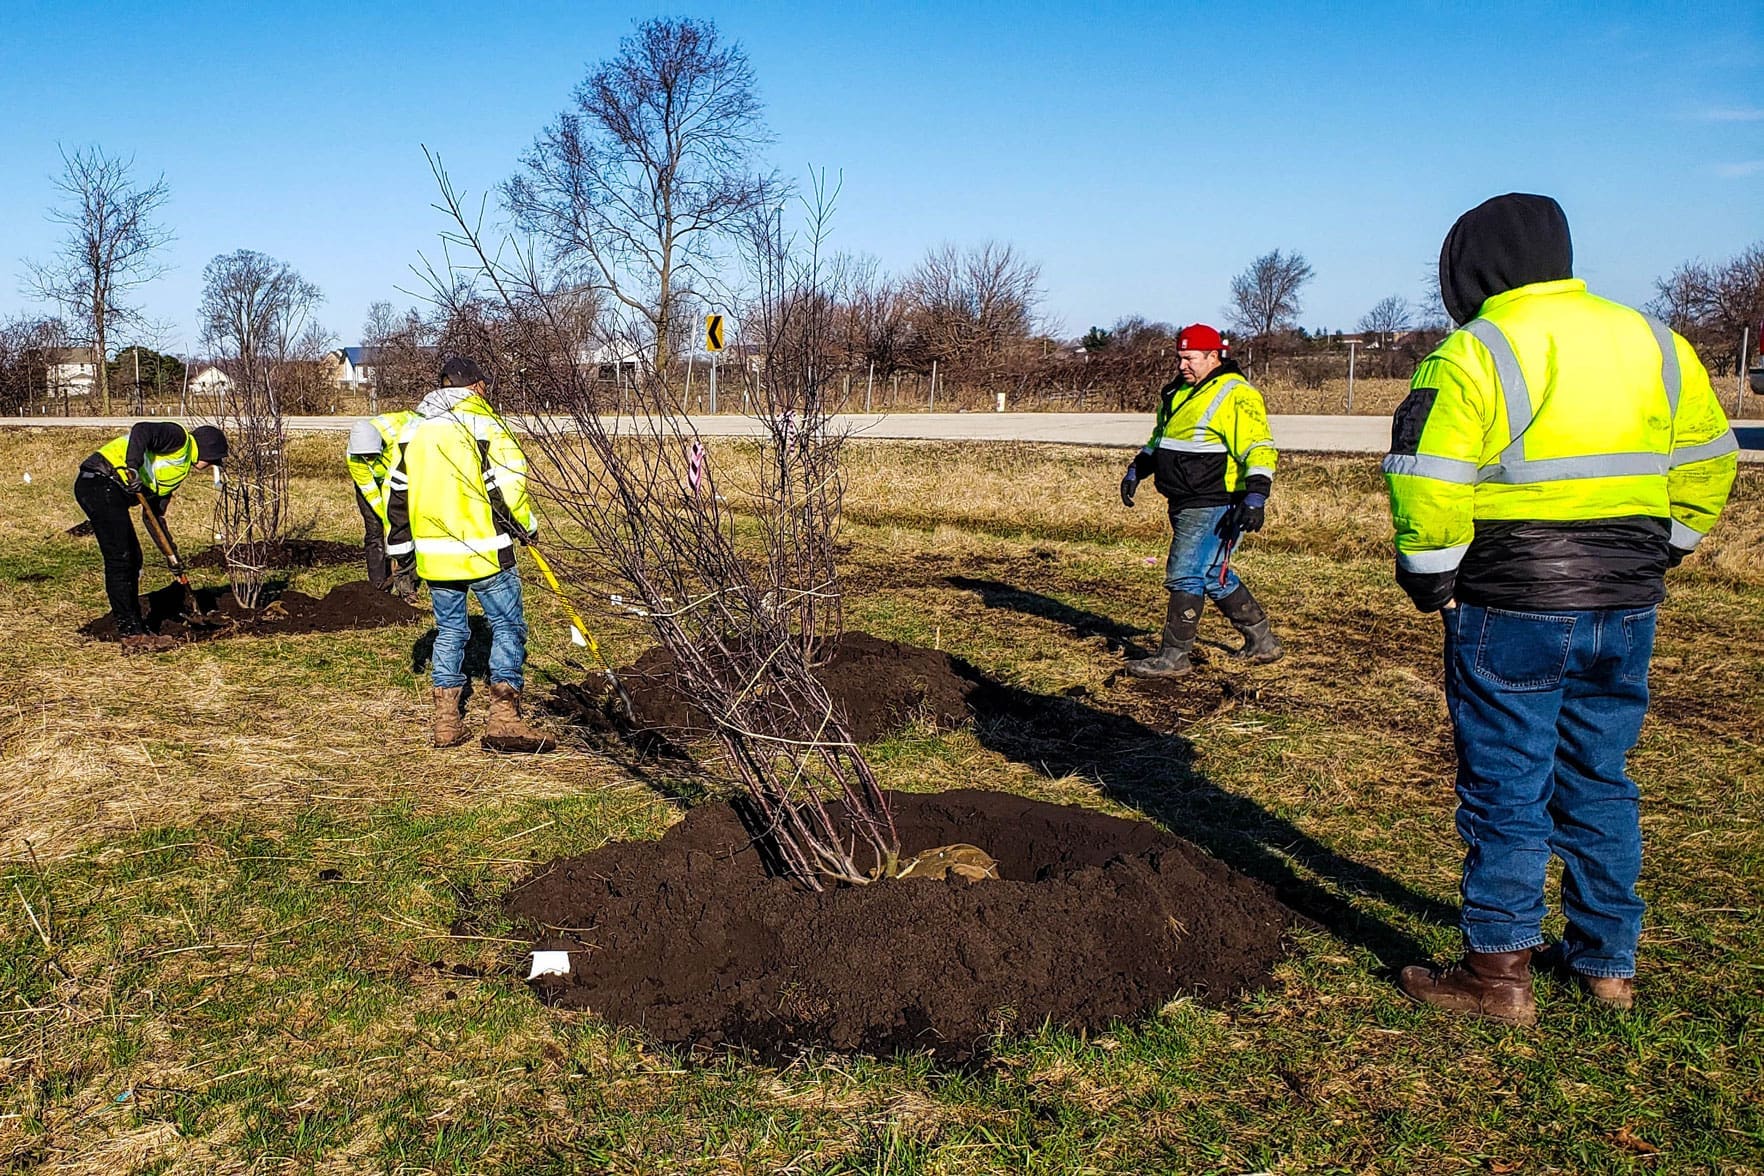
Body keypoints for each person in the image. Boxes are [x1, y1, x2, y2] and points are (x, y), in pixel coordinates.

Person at [1385, 193, 1737, 1025]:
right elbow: (1711, 461)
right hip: (1628, 601)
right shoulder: (1655, 340)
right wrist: (1661, 550)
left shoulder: (1473, 351)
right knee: (1600, 777)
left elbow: (1428, 477)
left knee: (1508, 783)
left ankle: (1497, 976)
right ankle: (1606, 964)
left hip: (1513, 602)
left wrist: (1431, 577)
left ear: (1469, 268)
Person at [385, 357, 556, 753]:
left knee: (451, 631)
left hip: (435, 555)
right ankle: (504, 718)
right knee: (508, 626)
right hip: (486, 549)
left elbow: (397, 497)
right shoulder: (486, 424)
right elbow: (510, 486)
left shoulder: (414, 429)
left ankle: (446, 721)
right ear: (477, 387)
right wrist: (526, 527)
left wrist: (403, 555)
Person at [1119, 322, 1283, 677]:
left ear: (1214, 356)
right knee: (1212, 574)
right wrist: (1139, 467)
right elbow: (1162, 438)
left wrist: (1256, 495)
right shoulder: (1180, 392)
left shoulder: (1236, 394)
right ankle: (1263, 642)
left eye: (1190, 358)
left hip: (1214, 501)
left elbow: (1259, 447)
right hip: (1183, 498)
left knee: (1185, 573)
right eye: (1179, 358)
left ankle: (1174, 657)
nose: (1182, 366)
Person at [75, 421, 228, 655]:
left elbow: (153, 518)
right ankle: (131, 633)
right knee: (121, 558)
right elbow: (141, 430)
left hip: (108, 489)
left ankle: (134, 626)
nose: (210, 466)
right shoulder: (178, 438)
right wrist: (133, 467)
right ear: (207, 450)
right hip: (100, 480)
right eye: (213, 460)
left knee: (133, 558)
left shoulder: (177, 471)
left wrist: (172, 557)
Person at [345, 408, 417, 600]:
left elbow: (417, 417)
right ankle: (378, 586)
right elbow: (372, 495)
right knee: (374, 530)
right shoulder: (354, 457)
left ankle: (407, 583)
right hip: (373, 486)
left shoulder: (397, 431)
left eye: (371, 455)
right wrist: (388, 523)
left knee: (405, 528)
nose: (368, 459)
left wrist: (396, 527)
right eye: (364, 457)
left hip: (399, 480)